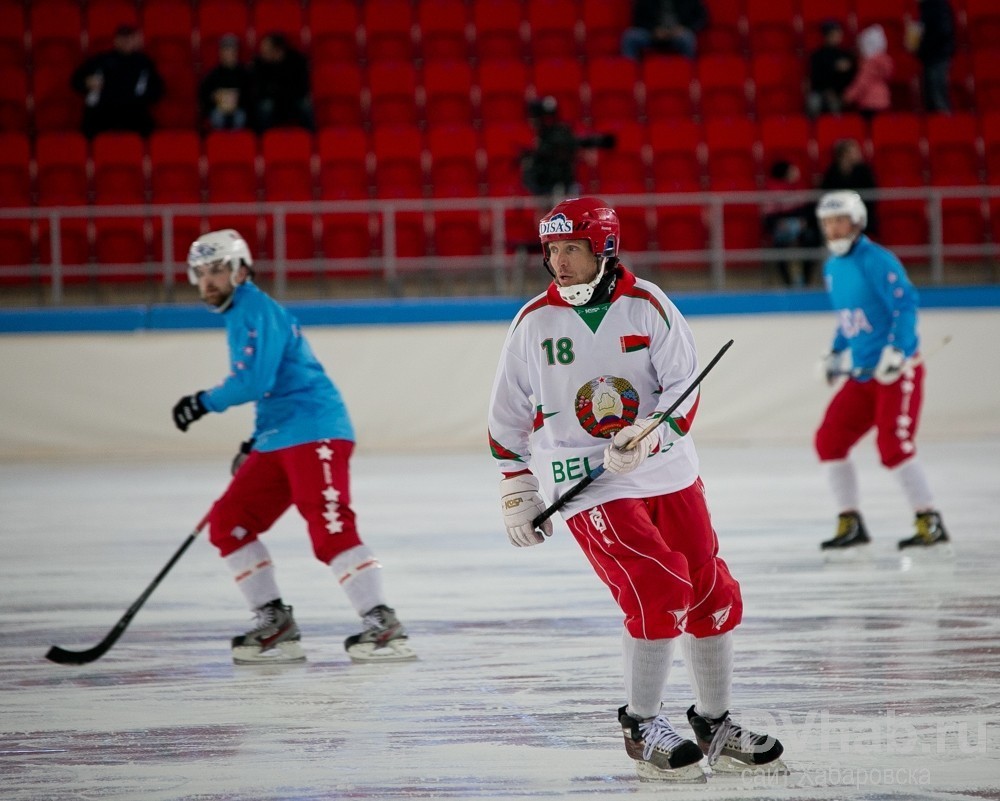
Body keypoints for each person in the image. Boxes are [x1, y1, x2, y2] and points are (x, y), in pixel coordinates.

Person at [487, 197, 785, 781]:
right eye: (552, 250)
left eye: (571, 248)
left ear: (604, 247)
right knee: (657, 584)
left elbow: (684, 390)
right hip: (586, 482)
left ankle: (715, 722)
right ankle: (641, 724)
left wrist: (650, 432)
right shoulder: (533, 322)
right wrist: (516, 485)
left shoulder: (648, 305)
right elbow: (507, 415)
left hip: (667, 469)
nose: (559, 262)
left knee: (711, 591)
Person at [172, 229, 415, 665]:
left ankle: (382, 623)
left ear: (241, 270)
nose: (208, 281)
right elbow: (274, 386)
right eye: (200, 273)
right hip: (279, 434)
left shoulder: (256, 309)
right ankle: (275, 624)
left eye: (217, 271)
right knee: (229, 522)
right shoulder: (240, 313)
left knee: (329, 524)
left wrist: (201, 403)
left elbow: (254, 381)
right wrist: (256, 439)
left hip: (315, 429)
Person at [813, 191, 952, 556]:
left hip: (895, 371)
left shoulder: (876, 260)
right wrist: (835, 351)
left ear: (857, 221)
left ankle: (929, 519)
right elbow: (849, 320)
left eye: (839, 220)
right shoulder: (832, 268)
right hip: (862, 375)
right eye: (827, 222)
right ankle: (850, 520)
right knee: (829, 440)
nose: (833, 228)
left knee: (893, 445)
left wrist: (899, 348)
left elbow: (905, 303)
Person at [70, 24, 164, 139]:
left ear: (136, 40)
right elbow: (76, 80)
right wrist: (87, 83)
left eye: (129, 38)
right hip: (104, 110)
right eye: (122, 38)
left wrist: (141, 98)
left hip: (132, 110)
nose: (126, 41)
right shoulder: (100, 60)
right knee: (89, 127)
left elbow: (157, 90)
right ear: (115, 40)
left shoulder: (144, 63)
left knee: (147, 128)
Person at [761, 160, 820, 287]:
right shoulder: (772, 190)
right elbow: (768, 217)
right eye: (792, 169)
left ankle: (805, 280)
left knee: (812, 239)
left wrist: (803, 222)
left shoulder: (802, 187)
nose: (796, 172)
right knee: (779, 247)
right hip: (782, 229)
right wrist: (780, 224)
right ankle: (788, 283)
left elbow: (810, 211)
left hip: (802, 227)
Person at [248, 32, 313, 132]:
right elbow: (259, 90)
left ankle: (311, 138)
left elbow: (301, 88)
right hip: (272, 100)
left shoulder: (297, 61)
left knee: (305, 105)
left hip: (292, 100)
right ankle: (261, 140)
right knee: (265, 106)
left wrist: (278, 90)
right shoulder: (259, 63)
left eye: (266, 50)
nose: (262, 52)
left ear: (277, 50)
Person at [820, 138, 879, 236]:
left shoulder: (864, 171)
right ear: (844, 154)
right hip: (838, 213)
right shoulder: (832, 172)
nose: (859, 154)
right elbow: (827, 194)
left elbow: (870, 194)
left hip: (860, 212)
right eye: (855, 151)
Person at [906, 0, 956, 112]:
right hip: (930, 57)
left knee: (937, 97)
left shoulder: (937, 7)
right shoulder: (926, 7)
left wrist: (921, 48)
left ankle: (946, 126)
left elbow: (941, 33)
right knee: (930, 98)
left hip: (937, 56)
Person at [621, 0, 709, 61]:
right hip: (653, 34)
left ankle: (688, 75)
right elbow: (638, 19)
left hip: (677, 34)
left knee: (688, 38)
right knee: (630, 37)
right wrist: (653, 30)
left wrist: (684, 28)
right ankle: (631, 76)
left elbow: (701, 18)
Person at [199, 34, 251, 131]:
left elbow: (250, 94)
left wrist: (238, 98)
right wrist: (214, 97)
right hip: (218, 109)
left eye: (232, 50)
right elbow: (204, 93)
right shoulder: (213, 74)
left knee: (240, 117)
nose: (228, 53)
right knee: (217, 117)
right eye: (225, 50)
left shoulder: (244, 73)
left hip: (239, 108)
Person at [806, 20, 856, 117]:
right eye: (833, 34)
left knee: (835, 105)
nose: (837, 37)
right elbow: (816, 78)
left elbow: (849, 78)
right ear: (826, 36)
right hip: (820, 91)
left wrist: (838, 92)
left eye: (838, 34)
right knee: (813, 102)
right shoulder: (817, 55)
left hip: (839, 93)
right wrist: (834, 68)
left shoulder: (845, 55)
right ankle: (813, 129)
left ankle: (837, 129)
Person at [843, 24, 893, 120]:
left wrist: (848, 96)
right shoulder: (886, 61)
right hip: (884, 101)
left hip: (869, 103)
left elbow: (862, 82)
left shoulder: (869, 63)